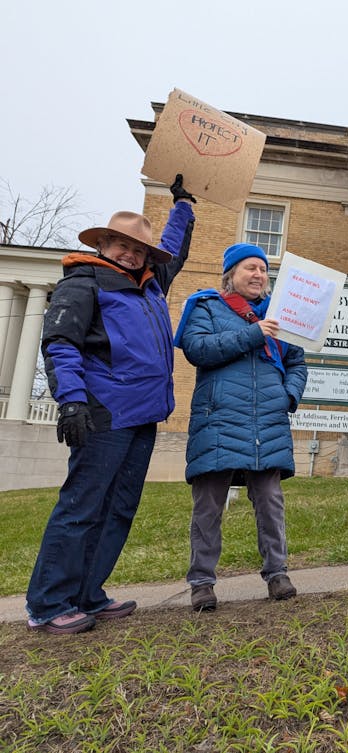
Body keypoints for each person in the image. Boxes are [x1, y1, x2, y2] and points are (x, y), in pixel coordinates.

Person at [26, 176, 196, 634]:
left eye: (138, 249)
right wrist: (72, 403)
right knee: (82, 506)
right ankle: (48, 603)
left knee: (118, 508)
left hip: (144, 416)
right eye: (121, 244)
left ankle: (87, 594)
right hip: (104, 414)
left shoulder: (149, 284)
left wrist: (183, 205)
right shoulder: (84, 282)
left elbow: (173, 250)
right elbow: (60, 344)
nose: (131, 253)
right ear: (103, 243)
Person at [175, 243, 308, 611]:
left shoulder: (280, 316)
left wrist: (288, 396)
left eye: (263, 270)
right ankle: (202, 583)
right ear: (230, 274)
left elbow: (297, 362)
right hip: (218, 421)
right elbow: (197, 349)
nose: (258, 275)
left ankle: (277, 573)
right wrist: (255, 334)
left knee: (270, 502)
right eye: (250, 268)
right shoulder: (207, 307)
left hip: (267, 423)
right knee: (208, 507)